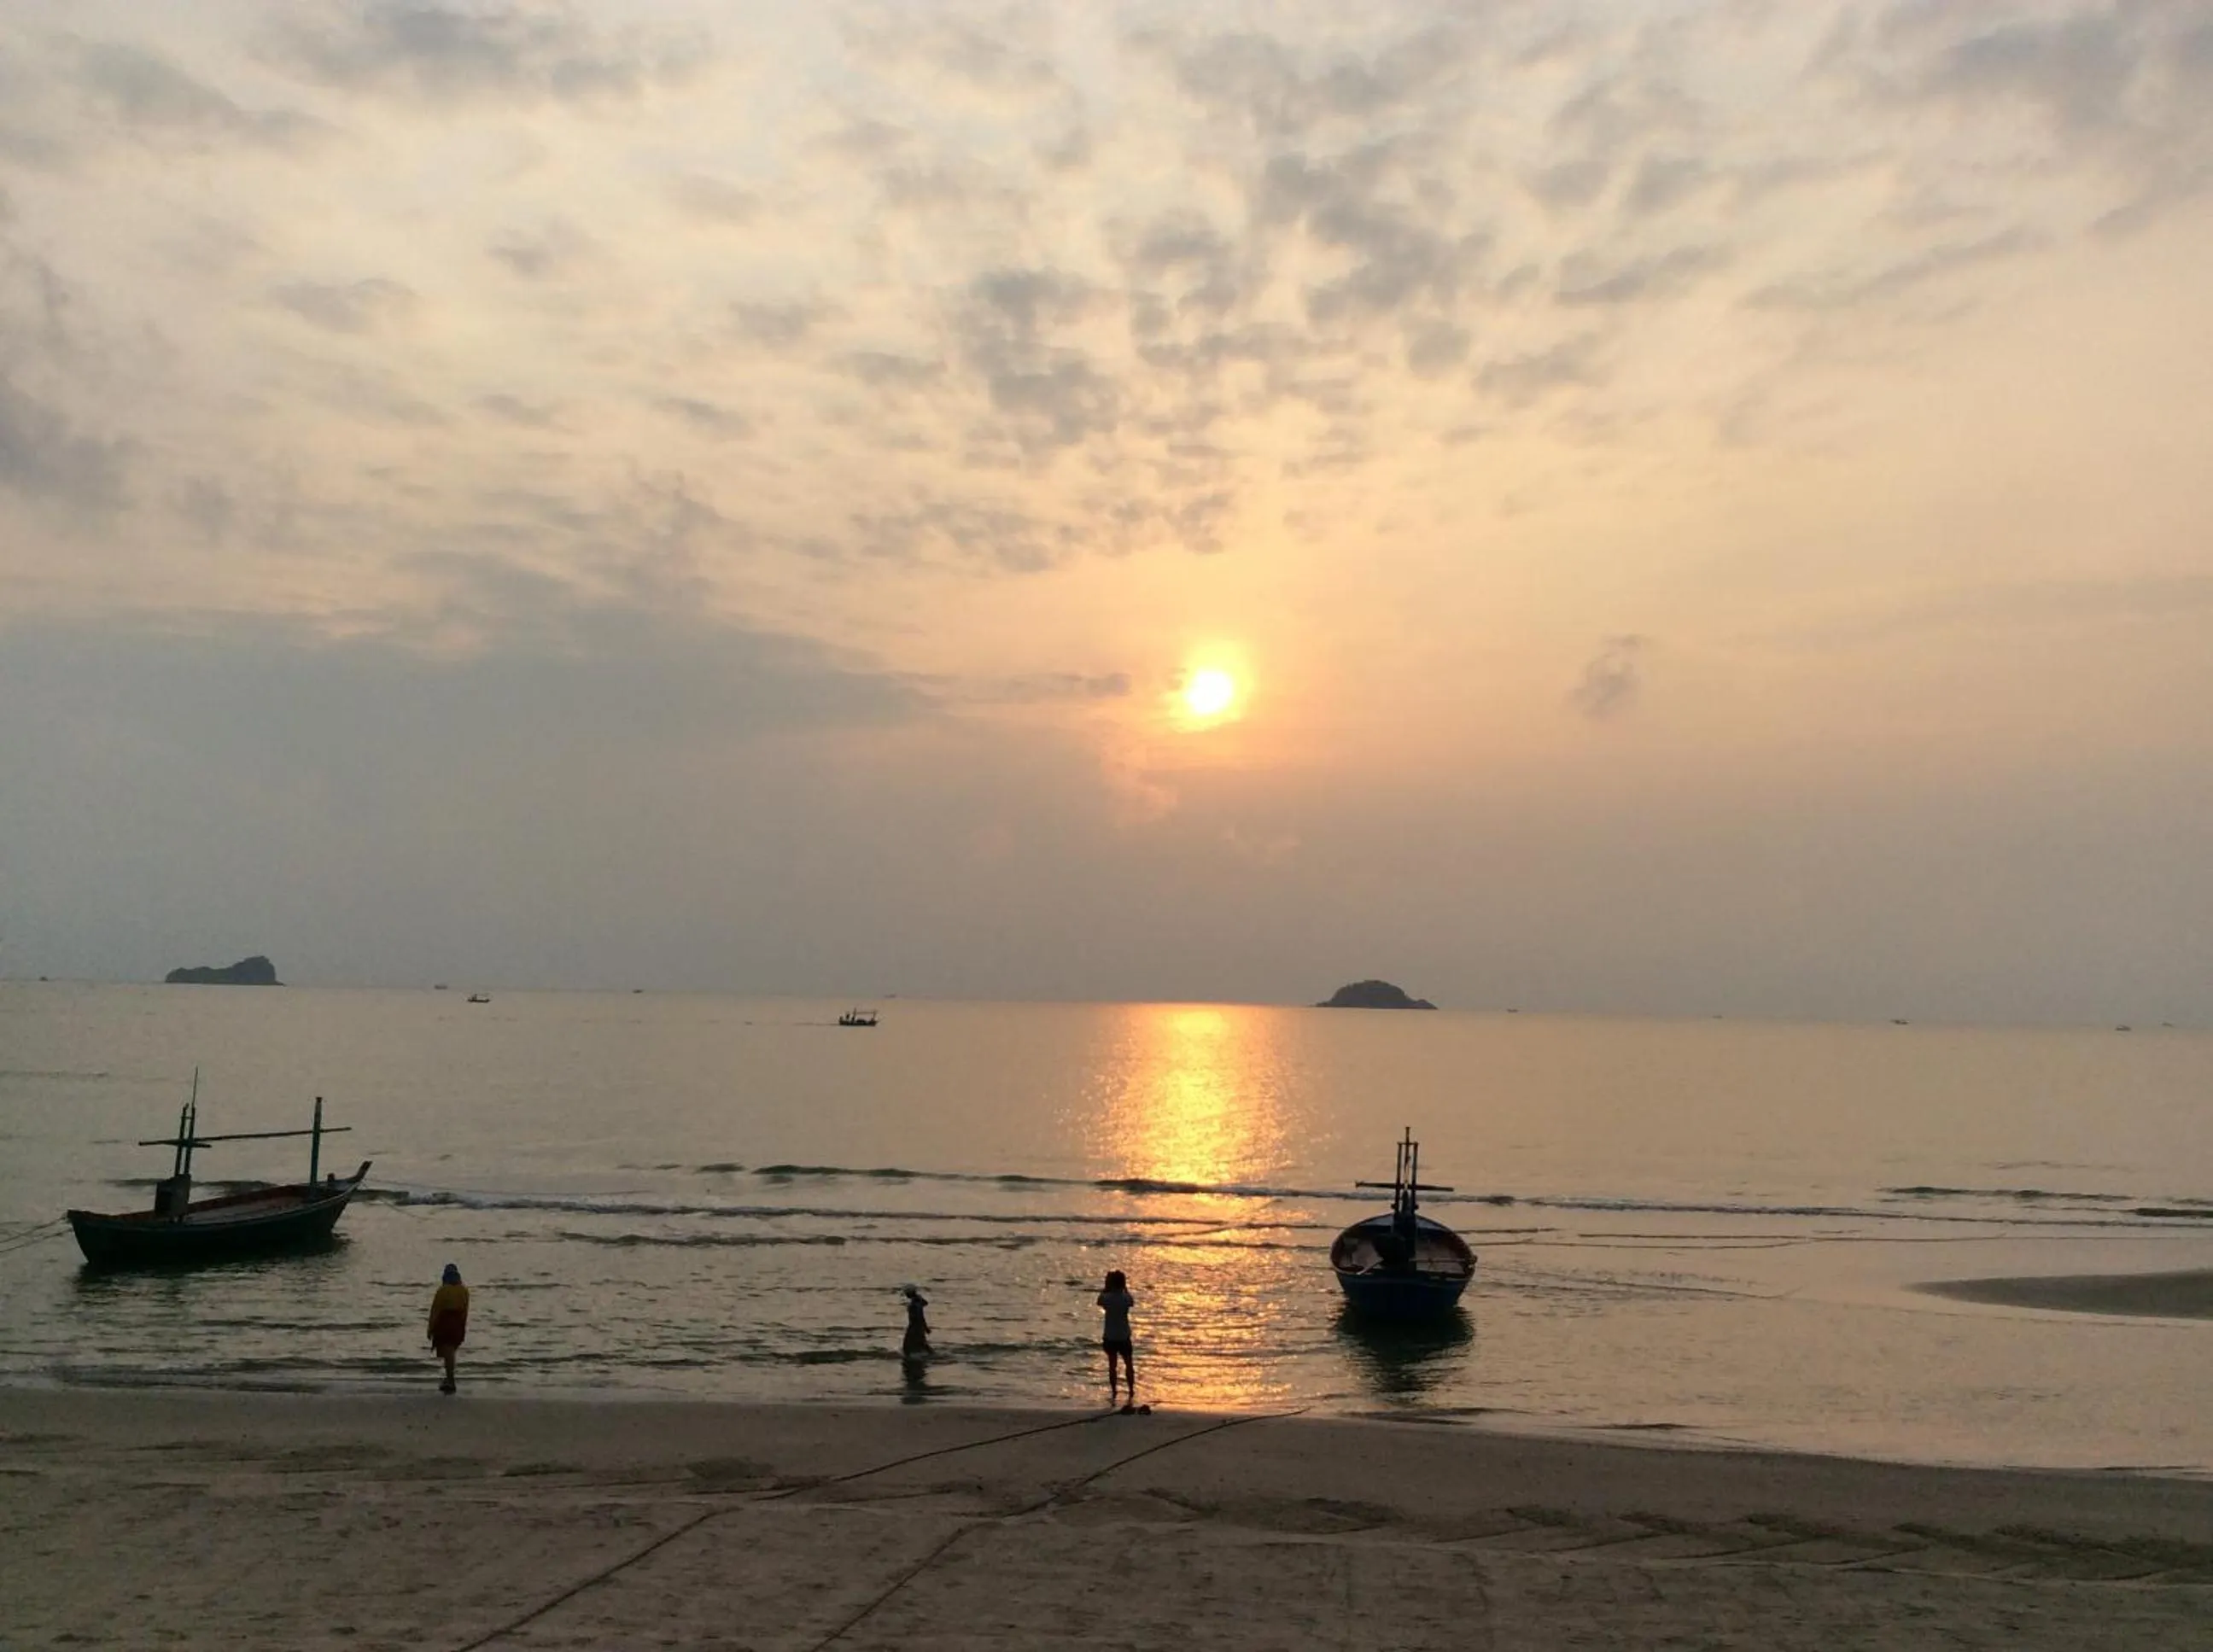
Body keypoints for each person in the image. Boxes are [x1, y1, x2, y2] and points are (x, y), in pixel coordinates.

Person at [1096, 1269, 1136, 1410]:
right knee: (1129, 1364)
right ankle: (1131, 1390)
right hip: (1124, 1335)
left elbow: (1099, 1301)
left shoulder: (1106, 1298)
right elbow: (1132, 1302)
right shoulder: (1125, 1298)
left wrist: (1105, 1288)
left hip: (1110, 1336)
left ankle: (1114, 1391)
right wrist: (1126, 1289)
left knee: (1112, 1365)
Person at [427, 1263, 470, 1394]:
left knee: (447, 1353)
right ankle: (449, 1378)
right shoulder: (464, 1291)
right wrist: (463, 1327)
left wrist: (430, 1329)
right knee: (450, 1353)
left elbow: (435, 1311)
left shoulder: (442, 1291)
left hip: (444, 1323)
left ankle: (450, 1380)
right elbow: (465, 1310)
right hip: (458, 1323)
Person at [901, 1285, 931, 1360]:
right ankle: (930, 1354)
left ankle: (929, 1355)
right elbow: (925, 1303)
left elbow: (920, 1316)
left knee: (909, 1344)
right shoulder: (917, 1301)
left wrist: (925, 1327)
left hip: (914, 1326)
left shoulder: (915, 1304)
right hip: (917, 1326)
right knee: (921, 1342)